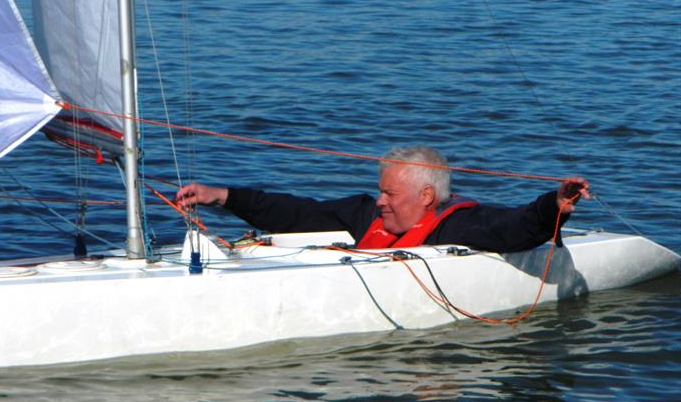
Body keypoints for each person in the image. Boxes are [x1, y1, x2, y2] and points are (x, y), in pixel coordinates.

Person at [172, 146, 590, 253]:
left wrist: (552, 204)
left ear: (427, 196)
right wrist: (221, 195)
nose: (381, 200)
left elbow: (512, 227)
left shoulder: (459, 224)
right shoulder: (365, 214)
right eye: (380, 190)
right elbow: (296, 212)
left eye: (390, 192)